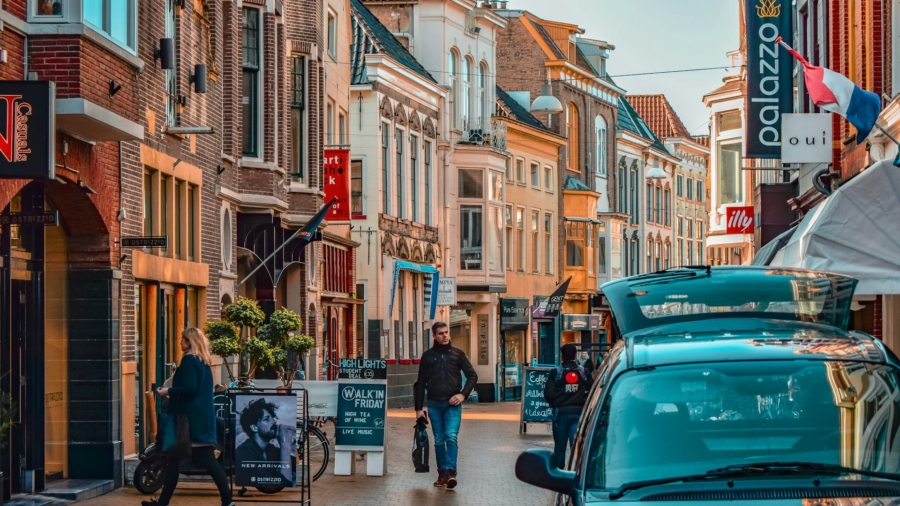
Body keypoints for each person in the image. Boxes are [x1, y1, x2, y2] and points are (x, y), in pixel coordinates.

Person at [143, 328, 234, 506]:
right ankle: (163, 502)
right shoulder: (204, 362)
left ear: (189, 342)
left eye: (182, 340)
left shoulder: (189, 360)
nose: (180, 343)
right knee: (175, 462)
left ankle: (228, 501)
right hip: (200, 420)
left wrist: (166, 391)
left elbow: (189, 389)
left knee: (200, 461)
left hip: (188, 422)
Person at [414, 321, 477, 489]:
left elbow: (472, 375)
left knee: (451, 436)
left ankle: (451, 472)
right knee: (439, 440)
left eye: (446, 332)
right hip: (434, 405)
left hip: (452, 405)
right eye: (441, 333)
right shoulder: (428, 356)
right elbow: (420, 383)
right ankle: (442, 474)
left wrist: (463, 394)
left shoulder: (458, 354)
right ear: (434, 336)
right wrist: (418, 409)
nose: (445, 336)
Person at [543, 343, 592, 469]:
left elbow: (548, 393)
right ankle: (577, 474)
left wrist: (557, 403)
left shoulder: (556, 372)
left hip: (561, 415)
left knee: (559, 448)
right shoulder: (584, 372)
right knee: (577, 448)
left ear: (562, 356)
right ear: (575, 355)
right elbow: (592, 391)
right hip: (579, 414)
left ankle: (559, 474)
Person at [235, 398, 296, 485]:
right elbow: (281, 484)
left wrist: (292, 441)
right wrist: (285, 444)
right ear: (254, 428)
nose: (274, 421)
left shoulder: (271, 449)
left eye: (273, 418)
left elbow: (296, 467)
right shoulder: (245, 452)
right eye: (267, 419)